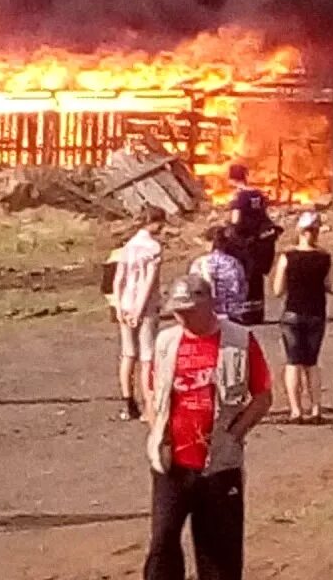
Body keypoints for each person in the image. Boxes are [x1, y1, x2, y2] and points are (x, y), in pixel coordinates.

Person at [143, 275, 273, 580]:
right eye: (177, 311)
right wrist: (155, 426)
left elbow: (263, 395)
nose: (182, 317)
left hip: (219, 465)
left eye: (189, 310)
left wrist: (235, 434)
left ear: (209, 304)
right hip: (172, 463)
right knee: (162, 543)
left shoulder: (239, 340)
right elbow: (150, 386)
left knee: (219, 553)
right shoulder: (166, 342)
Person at [271, 211, 333, 423]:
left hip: (292, 314)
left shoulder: (287, 258)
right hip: (315, 314)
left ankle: (295, 410)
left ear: (298, 231)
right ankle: (316, 409)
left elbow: (277, 290)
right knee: (311, 363)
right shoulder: (324, 258)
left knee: (293, 362)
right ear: (317, 232)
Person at [112, 205, 165, 421]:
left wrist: (118, 306)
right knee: (147, 357)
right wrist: (139, 309)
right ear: (153, 223)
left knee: (127, 354)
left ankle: (128, 403)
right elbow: (148, 282)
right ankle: (149, 406)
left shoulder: (128, 246)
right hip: (145, 306)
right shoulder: (153, 248)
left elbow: (118, 279)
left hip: (125, 303)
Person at [224, 164, 281, 325]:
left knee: (242, 275)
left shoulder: (238, 197)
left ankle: (244, 313)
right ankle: (257, 312)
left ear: (231, 178)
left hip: (244, 243)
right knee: (256, 277)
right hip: (260, 242)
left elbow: (236, 220)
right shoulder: (257, 194)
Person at [189, 225, 248, 321]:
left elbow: (193, 289)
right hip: (232, 314)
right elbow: (243, 288)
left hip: (207, 314)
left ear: (209, 243)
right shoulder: (235, 263)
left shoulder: (199, 263)